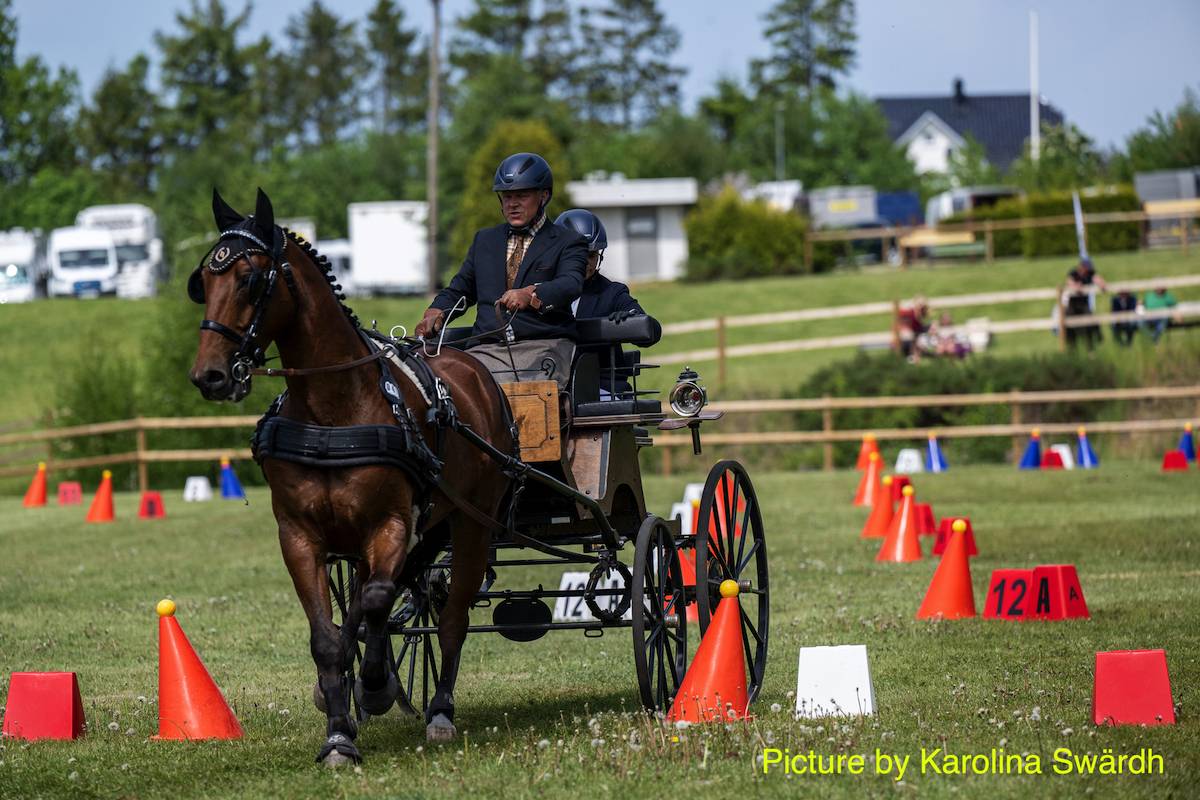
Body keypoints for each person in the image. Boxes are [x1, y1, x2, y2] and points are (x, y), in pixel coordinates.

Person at [414, 153, 587, 388]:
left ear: (544, 196)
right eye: (506, 197)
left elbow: (570, 283)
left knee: (490, 388)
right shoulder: (484, 240)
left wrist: (531, 294)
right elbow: (461, 288)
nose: (512, 204)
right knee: (428, 381)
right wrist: (436, 311)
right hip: (484, 350)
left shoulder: (568, 241)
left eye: (522, 195)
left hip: (543, 347)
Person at [555, 208, 662, 396]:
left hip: (600, 388)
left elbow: (651, 331)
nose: (586, 262)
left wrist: (631, 319)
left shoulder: (611, 293)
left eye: (591, 255)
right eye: (578, 254)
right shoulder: (541, 291)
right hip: (549, 386)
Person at [1064, 258, 1105, 349]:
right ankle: (1071, 347)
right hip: (1073, 305)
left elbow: (1098, 280)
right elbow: (1069, 282)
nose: (1088, 270)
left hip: (1084, 304)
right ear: (1081, 267)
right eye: (1086, 268)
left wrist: (1102, 284)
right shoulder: (1073, 273)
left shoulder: (1090, 273)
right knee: (1069, 325)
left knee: (1091, 322)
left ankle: (1094, 343)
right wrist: (1075, 286)